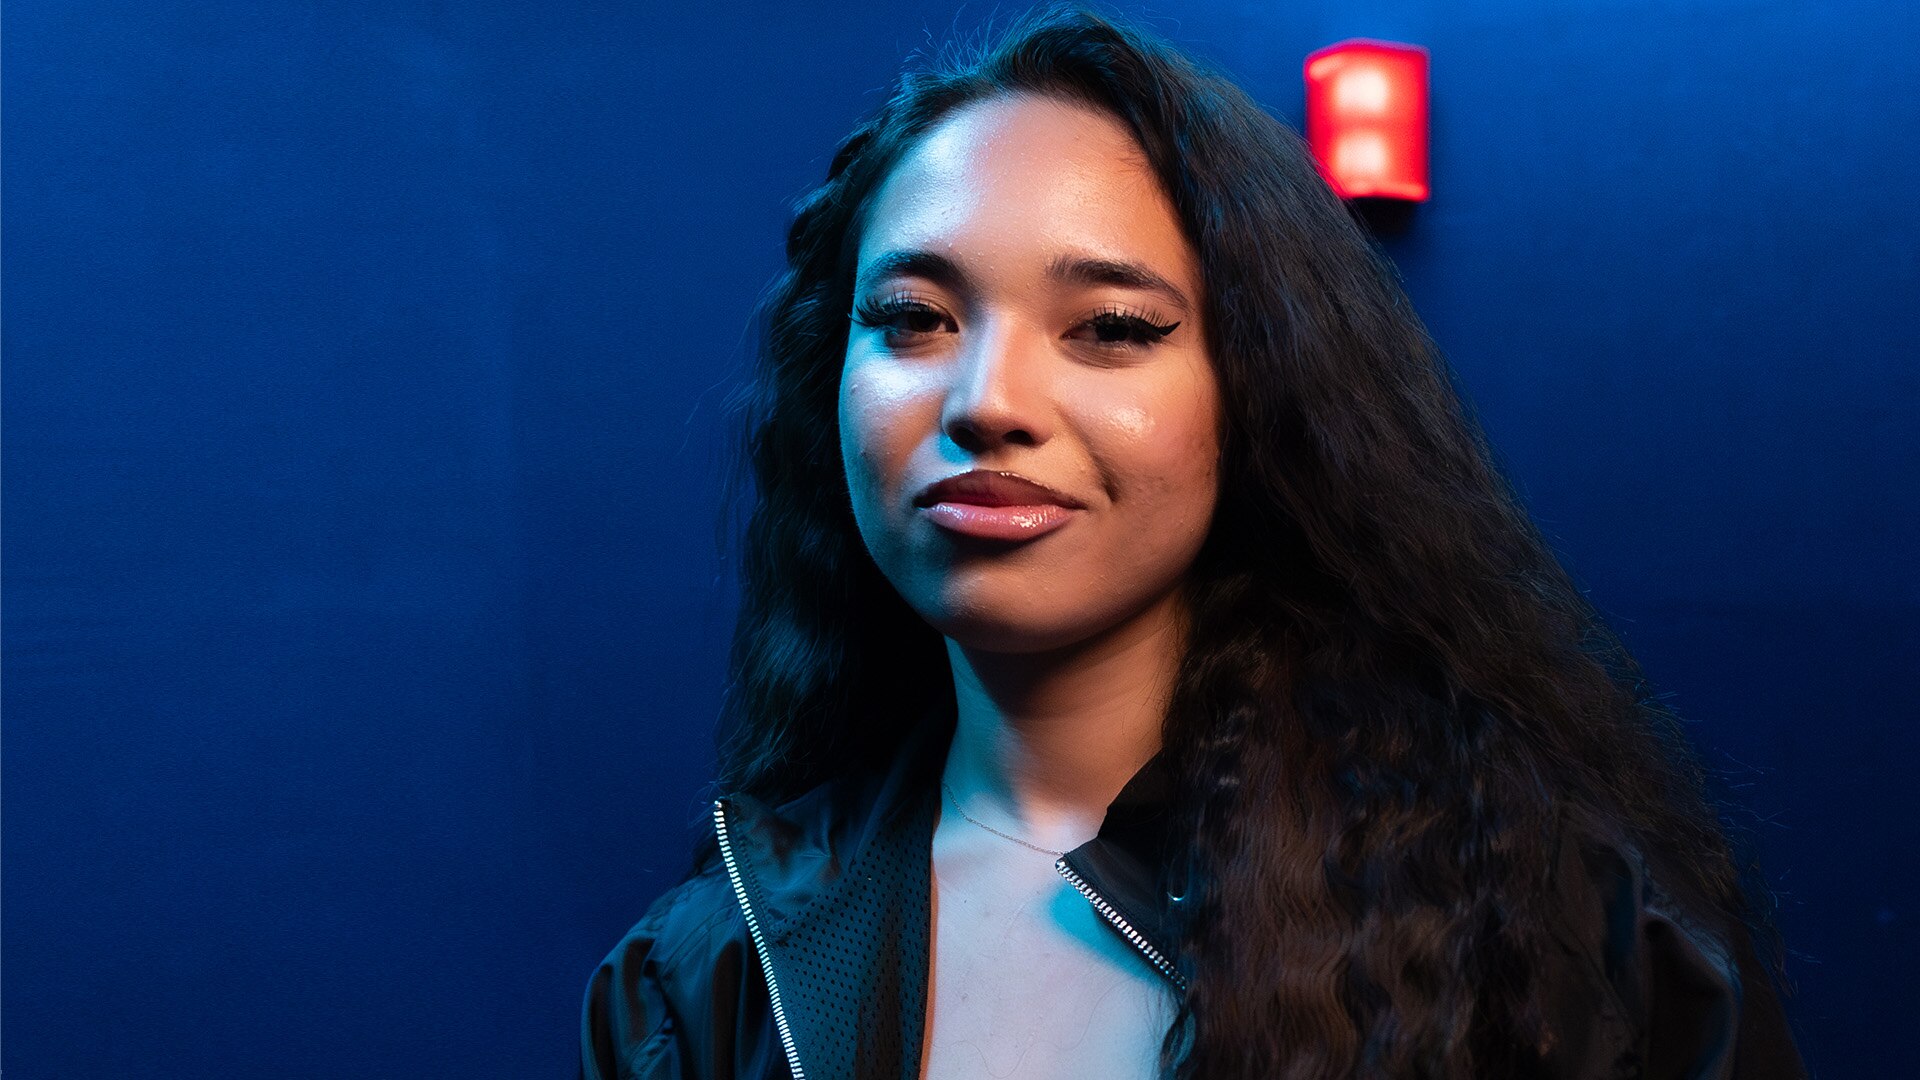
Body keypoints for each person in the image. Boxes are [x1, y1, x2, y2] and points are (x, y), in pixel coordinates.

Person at [580, 4, 1811, 1078]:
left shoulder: (1554, 929)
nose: (987, 401)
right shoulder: (703, 982)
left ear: (1257, 397)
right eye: (914, 317)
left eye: (1111, 327)